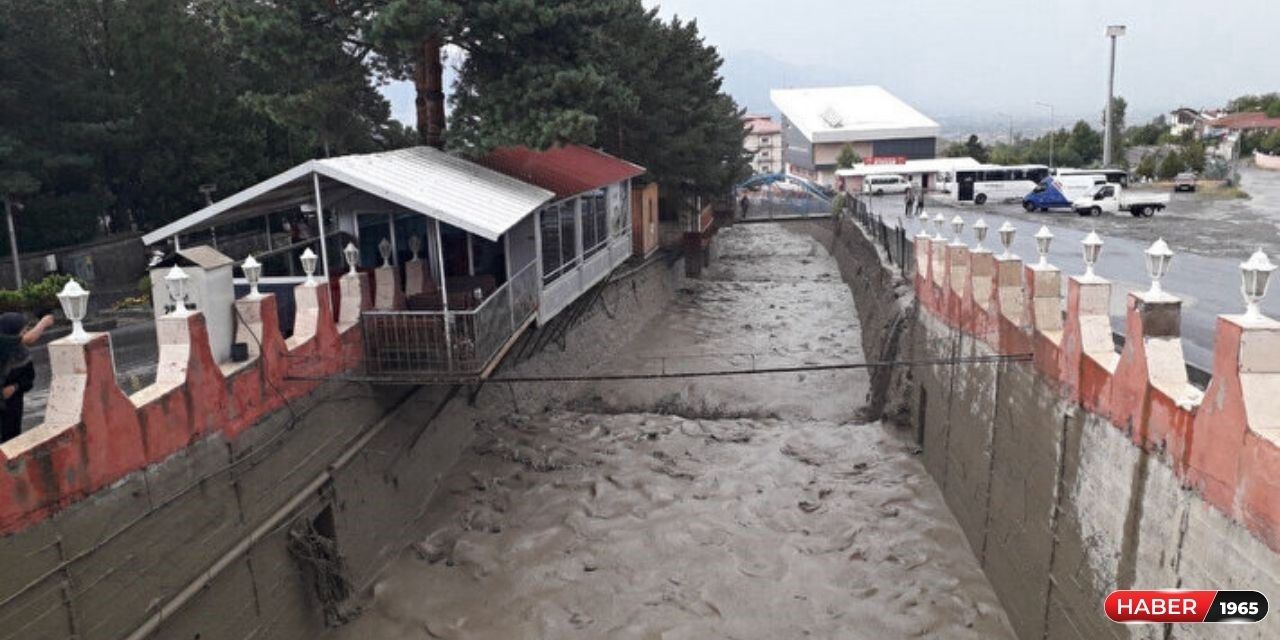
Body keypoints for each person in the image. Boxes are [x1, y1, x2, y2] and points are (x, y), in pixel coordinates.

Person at [0, 312, 54, 443]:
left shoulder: (22, 354)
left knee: (11, 440)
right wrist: (43, 323)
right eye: (23, 331)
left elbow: (28, 378)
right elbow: (27, 339)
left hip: (13, 406)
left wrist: (15, 387)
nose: (25, 334)